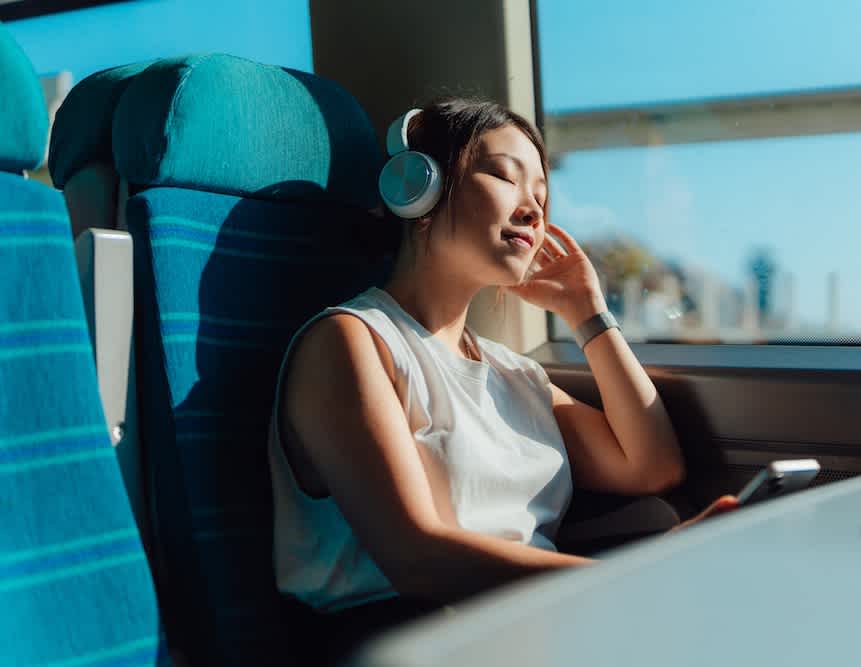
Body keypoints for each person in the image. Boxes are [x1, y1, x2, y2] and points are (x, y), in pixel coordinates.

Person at [267, 98, 738, 662]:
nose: (534, 210)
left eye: (541, 194)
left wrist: (588, 314)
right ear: (419, 189)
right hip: (404, 638)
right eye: (505, 177)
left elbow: (652, 466)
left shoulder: (514, 373)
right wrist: (625, 585)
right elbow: (417, 558)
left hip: (522, 629)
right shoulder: (351, 342)